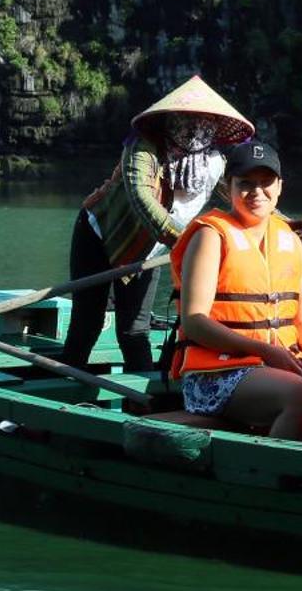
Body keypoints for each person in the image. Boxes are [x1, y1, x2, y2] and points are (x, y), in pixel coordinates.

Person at [61, 76, 252, 370]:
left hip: (147, 251)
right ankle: (67, 390)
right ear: (172, 120)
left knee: (135, 330)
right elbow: (142, 199)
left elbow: (247, 199)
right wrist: (188, 242)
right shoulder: (143, 149)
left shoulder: (213, 162)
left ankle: (144, 403)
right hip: (100, 235)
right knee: (88, 321)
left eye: (205, 121)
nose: (196, 128)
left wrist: (288, 226)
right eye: (189, 120)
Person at [168, 140, 302, 438]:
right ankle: (271, 477)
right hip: (216, 374)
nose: (257, 192)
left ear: (280, 187)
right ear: (228, 187)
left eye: (266, 183)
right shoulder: (211, 236)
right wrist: (262, 350)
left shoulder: (290, 240)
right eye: (246, 183)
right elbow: (194, 321)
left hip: (279, 364)